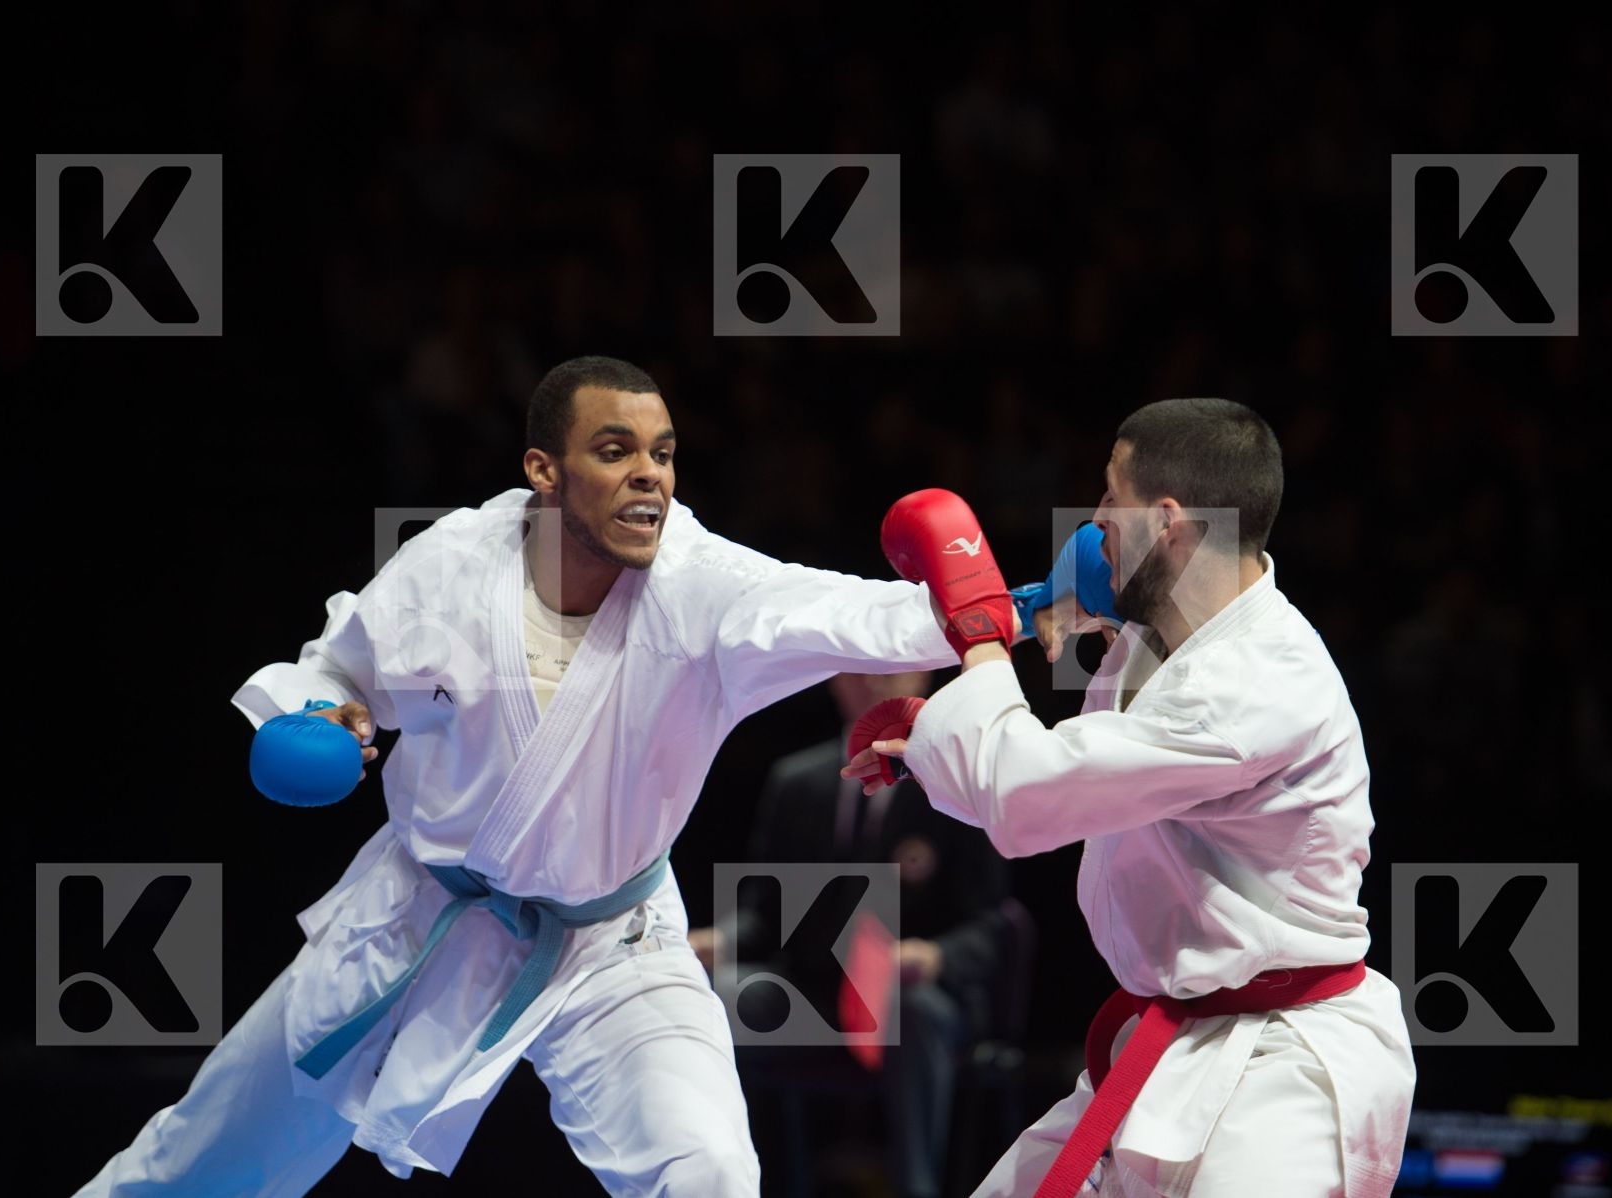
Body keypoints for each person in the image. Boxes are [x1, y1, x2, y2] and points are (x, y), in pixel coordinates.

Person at [74, 356, 963, 1197]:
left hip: (611, 941)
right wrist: (321, 714)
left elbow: (854, 614)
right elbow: (341, 671)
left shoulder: (703, 585)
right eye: (614, 452)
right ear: (545, 468)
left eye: (662, 455)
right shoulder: (453, 565)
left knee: (710, 1170)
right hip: (417, 916)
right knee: (202, 1153)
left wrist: (997, 603)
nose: (649, 475)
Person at [843, 398, 1416, 1197]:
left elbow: (1027, 799)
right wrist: (933, 744)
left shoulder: (1254, 684)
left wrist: (979, 630)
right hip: (1170, 1045)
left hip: (1283, 1072)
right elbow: (1067, 785)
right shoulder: (1161, 631)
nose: (1096, 519)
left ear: (1169, 520)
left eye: (1112, 498)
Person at [691, 669, 1014, 1198]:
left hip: (910, 999)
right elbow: (762, 916)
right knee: (710, 1000)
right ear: (831, 678)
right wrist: (715, 944)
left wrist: (933, 956)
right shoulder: (796, 780)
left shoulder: (958, 782)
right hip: (810, 995)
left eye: (891, 667)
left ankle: (917, 1188)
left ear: (926, 675)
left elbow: (993, 924)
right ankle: (721, 1182)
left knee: (915, 1011)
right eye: (855, 667)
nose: (871, 681)